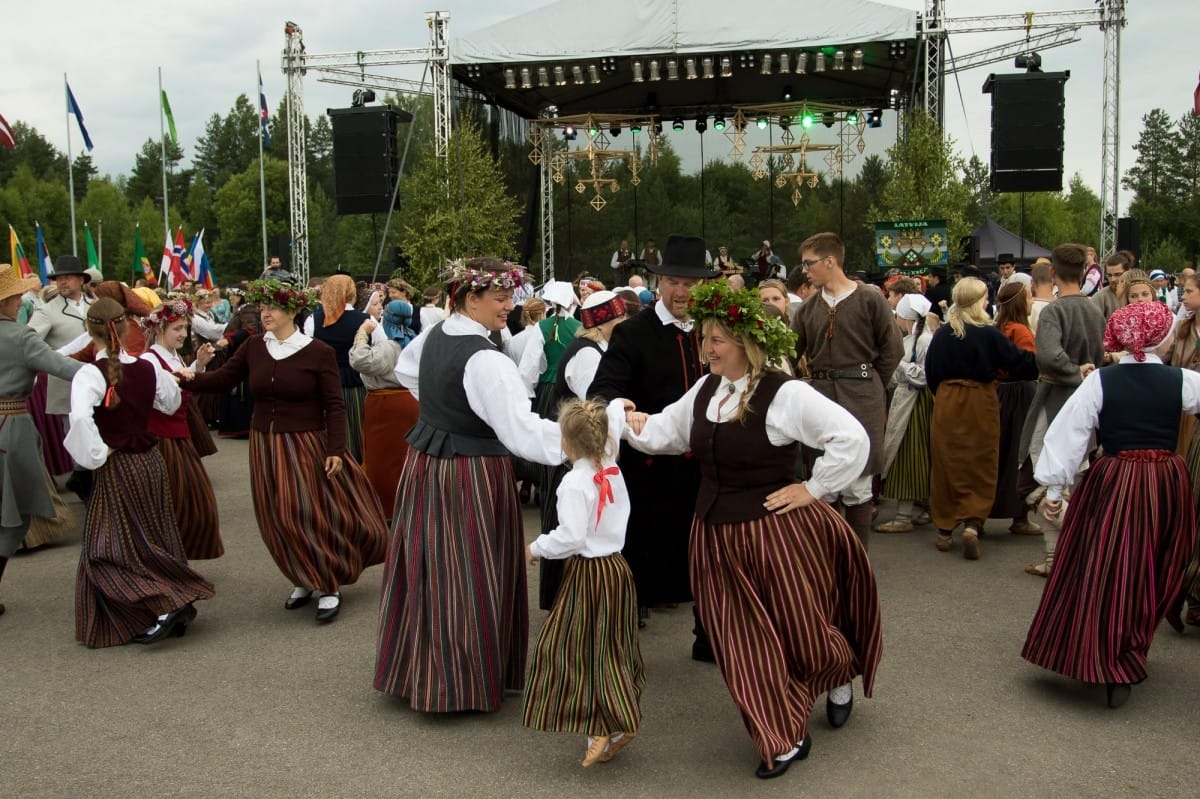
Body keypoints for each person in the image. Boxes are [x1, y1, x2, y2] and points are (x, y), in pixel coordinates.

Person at [620, 281, 881, 780]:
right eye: (704, 339)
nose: (706, 349)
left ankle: (837, 667)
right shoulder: (705, 391)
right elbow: (665, 433)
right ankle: (781, 735)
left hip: (775, 536)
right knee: (740, 642)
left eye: (717, 339)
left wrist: (814, 487)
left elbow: (851, 438)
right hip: (713, 536)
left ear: (746, 342)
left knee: (800, 631)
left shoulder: (785, 394)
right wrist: (625, 419)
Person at [374, 258, 566, 713]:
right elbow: (520, 431)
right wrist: (583, 444)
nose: (509, 307)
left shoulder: (438, 333)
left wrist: (445, 413)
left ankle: (420, 672)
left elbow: (407, 370)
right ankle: (457, 685)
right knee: (467, 574)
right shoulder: (485, 359)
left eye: (510, 297)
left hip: (428, 465)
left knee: (434, 570)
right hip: (471, 474)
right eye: (500, 298)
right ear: (469, 299)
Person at [1022, 301, 1198, 708]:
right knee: (1154, 562)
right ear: (1157, 338)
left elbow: (1069, 434)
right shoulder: (1182, 381)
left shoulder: (1101, 382)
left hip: (1115, 477)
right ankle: (1128, 644)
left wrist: (1053, 490)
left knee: (1105, 563)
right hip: (1164, 482)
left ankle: (1104, 645)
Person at [183, 278, 387, 623]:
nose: (265, 314)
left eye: (273, 308)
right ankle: (302, 576)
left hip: (305, 442)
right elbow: (223, 381)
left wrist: (336, 447)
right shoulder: (253, 347)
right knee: (275, 516)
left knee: (305, 512)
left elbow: (335, 405)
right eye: (262, 308)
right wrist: (189, 375)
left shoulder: (316, 351)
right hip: (264, 444)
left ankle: (328, 583)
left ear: (293, 310)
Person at [588, 235, 714, 655]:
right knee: (639, 555)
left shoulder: (716, 330)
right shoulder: (633, 333)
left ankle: (709, 636)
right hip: (651, 472)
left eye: (692, 284)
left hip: (706, 468)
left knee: (710, 555)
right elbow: (601, 390)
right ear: (660, 282)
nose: (683, 292)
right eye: (675, 282)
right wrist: (623, 409)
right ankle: (618, 643)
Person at [65, 297, 214, 647]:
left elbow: (78, 419)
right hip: (150, 461)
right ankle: (170, 600)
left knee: (106, 548)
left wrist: (98, 453)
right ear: (123, 327)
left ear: (90, 332)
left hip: (118, 465)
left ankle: (165, 602)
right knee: (153, 532)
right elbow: (171, 401)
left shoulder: (90, 374)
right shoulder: (149, 367)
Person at [523, 399, 644, 768]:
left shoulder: (574, 482)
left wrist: (537, 547)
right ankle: (616, 721)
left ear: (566, 441)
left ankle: (600, 727)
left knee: (576, 649)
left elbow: (571, 536)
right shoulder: (609, 466)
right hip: (618, 570)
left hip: (589, 575)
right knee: (611, 644)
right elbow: (612, 436)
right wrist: (619, 410)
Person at [790, 232, 903, 548]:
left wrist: (869, 385)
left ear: (830, 261)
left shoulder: (870, 299)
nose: (804, 271)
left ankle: (857, 564)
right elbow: (788, 351)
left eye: (808, 264)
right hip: (820, 398)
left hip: (862, 399)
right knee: (823, 482)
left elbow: (892, 350)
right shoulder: (808, 308)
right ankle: (828, 560)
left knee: (858, 484)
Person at [925, 278, 1038, 558]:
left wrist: (945, 394)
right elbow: (1018, 363)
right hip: (981, 399)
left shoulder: (943, 333)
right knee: (982, 461)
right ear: (978, 301)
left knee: (946, 462)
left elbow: (931, 373)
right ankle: (973, 525)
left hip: (948, 400)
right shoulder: (988, 333)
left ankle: (944, 529)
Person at [0, 265, 84, 616]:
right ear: (7, 300)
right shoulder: (21, 337)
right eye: (16, 295)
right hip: (10, 426)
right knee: (14, 516)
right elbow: (62, 367)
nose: (21, 299)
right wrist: (116, 370)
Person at [536, 290, 628, 610]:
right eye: (620, 319)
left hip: (581, 449)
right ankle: (570, 597)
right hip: (578, 450)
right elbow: (595, 404)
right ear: (605, 322)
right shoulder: (588, 354)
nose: (625, 324)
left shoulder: (596, 348)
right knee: (577, 522)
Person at [1019, 244, 1106, 573]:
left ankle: (1083, 545)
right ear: (1084, 271)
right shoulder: (1095, 310)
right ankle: (1056, 558)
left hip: (1057, 400)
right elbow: (1099, 355)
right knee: (1070, 480)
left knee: (1037, 480)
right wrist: (1085, 371)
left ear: (1053, 272)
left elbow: (1049, 357)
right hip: (1086, 401)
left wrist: (1074, 371)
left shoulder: (1055, 311)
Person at [140, 298, 224, 560]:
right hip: (162, 441)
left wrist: (197, 366)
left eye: (185, 328)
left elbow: (180, 383)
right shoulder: (149, 360)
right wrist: (181, 377)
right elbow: (162, 402)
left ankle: (177, 555)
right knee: (175, 502)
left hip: (180, 437)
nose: (183, 334)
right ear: (158, 329)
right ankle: (168, 558)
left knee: (196, 502)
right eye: (176, 329)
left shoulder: (173, 356)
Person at [27, 255, 94, 497]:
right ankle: (86, 490)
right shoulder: (46, 311)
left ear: (80, 279)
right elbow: (29, 342)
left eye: (67, 277)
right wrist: (56, 358)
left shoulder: (94, 305)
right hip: (68, 387)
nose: (62, 282)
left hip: (100, 384)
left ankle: (97, 487)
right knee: (78, 441)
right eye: (58, 278)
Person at [303, 274, 387, 463]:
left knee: (327, 434)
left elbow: (306, 353)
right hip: (357, 387)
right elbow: (382, 352)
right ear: (351, 293)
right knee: (358, 434)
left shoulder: (313, 320)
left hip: (323, 387)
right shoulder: (367, 320)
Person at [348, 299, 420, 519]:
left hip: (385, 405)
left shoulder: (389, 347)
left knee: (383, 460)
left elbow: (361, 361)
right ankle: (411, 505)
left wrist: (361, 334)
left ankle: (386, 508)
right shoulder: (415, 342)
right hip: (410, 402)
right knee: (405, 457)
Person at [875, 294, 935, 533]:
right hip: (906, 399)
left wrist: (895, 364)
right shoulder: (913, 339)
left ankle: (903, 516)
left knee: (909, 454)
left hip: (916, 403)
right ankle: (922, 509)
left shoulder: (922, 342)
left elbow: (923, 376)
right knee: (912, 454)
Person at [1162, 271, 1200, 627]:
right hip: (1189, 421)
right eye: (1184, 291)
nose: (1183, 296)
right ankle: (1182, 590)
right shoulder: (1183, 330)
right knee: (1191, 503)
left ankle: (1190, 592)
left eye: (1189, 291)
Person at [990, 282, 1042, 535]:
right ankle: (1019, 518)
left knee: (1000, 454)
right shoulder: (1020, 331)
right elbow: (1030, 364)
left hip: (1000, 392)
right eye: (1029, 297)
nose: (1032, 301)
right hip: (1020, 394)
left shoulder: (998, 327)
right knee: (1020, 456)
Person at [1091, 253, 1129, 320]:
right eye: (1109, 275)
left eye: (1117, 274)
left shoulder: (1137, 294)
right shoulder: (1100, 297)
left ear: (1128, 272)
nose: (1113, 279)